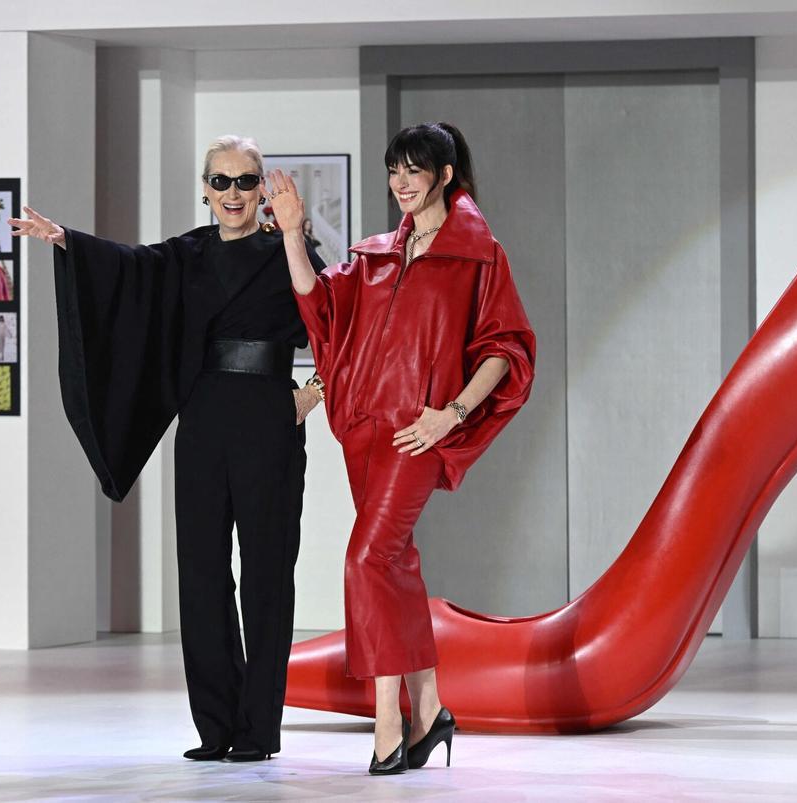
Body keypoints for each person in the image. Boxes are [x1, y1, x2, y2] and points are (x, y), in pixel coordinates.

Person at [9, 135, 327, 763]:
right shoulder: (187, 253)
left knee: (267, 573)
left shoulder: (287, 247)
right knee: (202, 572)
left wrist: (312, 391)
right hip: (203, 416)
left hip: (268, 414)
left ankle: (258, 730)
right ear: (205, 189)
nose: (232, 193)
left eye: (245, 181)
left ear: (262, 188)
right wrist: (67, 241)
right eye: (221, 181)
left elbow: (333, 320)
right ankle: (216, 726)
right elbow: (127, 268)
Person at [267, 121, 535, 774]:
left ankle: (388, 718)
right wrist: (294, 233)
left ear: (445, 175)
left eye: (414, 170)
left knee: (367, 559)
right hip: (363, 431)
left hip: (416, 435)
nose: (401, 183)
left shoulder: (480, 255)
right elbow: (320, 307)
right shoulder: (376, 256)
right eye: (394, 171)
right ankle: (432, 707)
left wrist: (453, 414)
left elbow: (505, 348)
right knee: (394, 564)